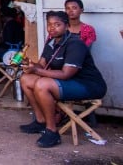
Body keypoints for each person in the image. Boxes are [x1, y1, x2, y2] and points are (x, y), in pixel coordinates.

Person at [18, 11, 107, 148]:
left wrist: (37, 70)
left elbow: (66, 74)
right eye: (49, 25)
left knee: (42, 84)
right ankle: (40, 121)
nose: (52, 28)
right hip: (68, 83)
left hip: (88, 85)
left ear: (66, 26)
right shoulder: (51, 41)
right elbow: (41, 65)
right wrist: (30, 64)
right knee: (26, 79)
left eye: (57, 24)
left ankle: (52, 131)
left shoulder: (75, 44)